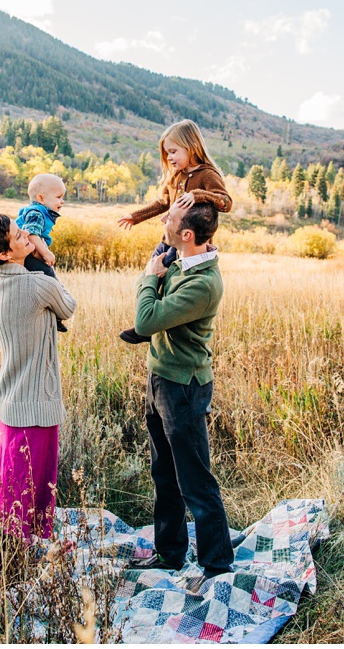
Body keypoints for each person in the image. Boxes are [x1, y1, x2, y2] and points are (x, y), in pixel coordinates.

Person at [128, 201, 234, 594]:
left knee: (195, 480)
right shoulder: (183, 259)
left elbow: (146, 320)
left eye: (169, 221)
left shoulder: (203, 283)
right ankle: (170, 552)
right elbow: (167, 242)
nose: (163, 224)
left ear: (187, 235)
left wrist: (147, 278)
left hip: (183, 388)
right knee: (164, 474)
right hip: (160, 379)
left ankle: (217, 566)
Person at [0, 213, 77, 544]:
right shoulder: (37, 284)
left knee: (11, 489)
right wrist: (45, 259)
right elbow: (68, 306)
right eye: (19, 236)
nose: (27, 236)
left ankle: (20, 551)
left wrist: (30, 255)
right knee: (38, 489)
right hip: (37, 404)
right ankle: (26, 555)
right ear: (4, 253)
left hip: (10, 401)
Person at [116, 120, 232, 344]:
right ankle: (150, 323)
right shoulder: (176, 176)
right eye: (166, 153)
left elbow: (226, 203)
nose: (169, 158)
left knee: (174, 281)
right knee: (148, 275)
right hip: (169, 238)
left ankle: (151, 325)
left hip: (189, 241)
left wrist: (199, 195)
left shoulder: (207, 175)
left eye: (173, 151)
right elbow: (163, 203)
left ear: (191, 147)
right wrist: (136, 216)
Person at [15, 173, 69, 332]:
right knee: (50, 279)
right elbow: (31, 234)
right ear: (41, 198)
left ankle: (52, 314)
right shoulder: (36, 213)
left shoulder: (38, 211)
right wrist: (45, 253)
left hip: (28, 254)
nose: (62, 201)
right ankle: (58, 313)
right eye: (59, 197)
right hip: (28, 255)